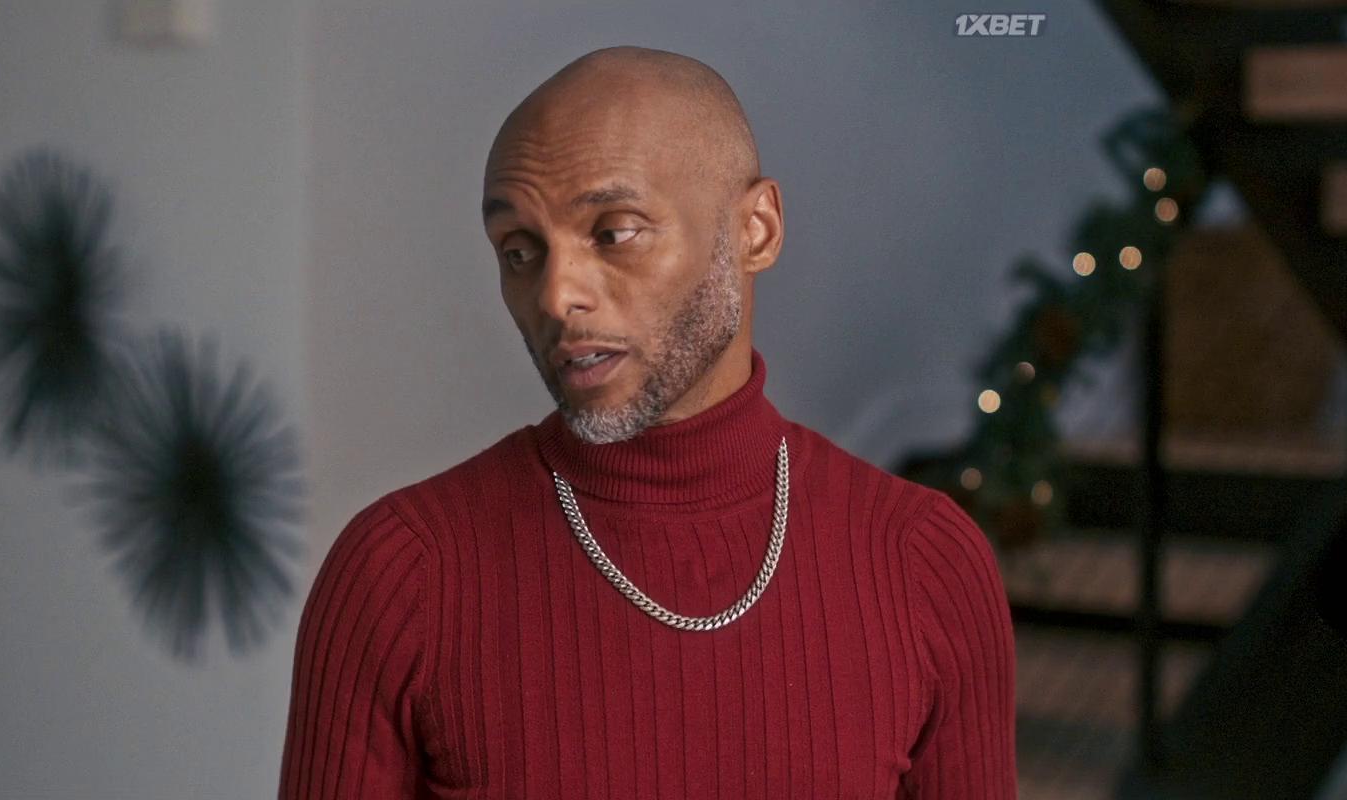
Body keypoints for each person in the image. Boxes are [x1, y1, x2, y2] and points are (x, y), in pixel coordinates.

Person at [278, 45, 1015, 799]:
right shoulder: (402, 573)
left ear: (756, 230)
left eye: (614, 233)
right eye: (520, 251)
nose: (556, 295)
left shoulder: (925, 564)